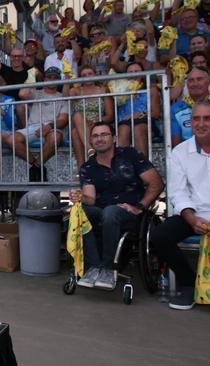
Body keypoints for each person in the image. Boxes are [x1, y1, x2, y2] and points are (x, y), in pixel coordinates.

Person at [70, 122, 163, 289]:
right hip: (104, 213)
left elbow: (156, 183)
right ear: (90, 141)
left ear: (114, 138)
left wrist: (139, 207)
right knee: (81, 212)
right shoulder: (88, 167)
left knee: (111, 212)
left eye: (104, 134)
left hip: (131, 213)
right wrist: (81, 197)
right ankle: (93, 267)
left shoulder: (130, 155)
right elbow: (90, 198)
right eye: (95, 136)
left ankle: (107, 269)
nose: (100, 139)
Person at [151, 100, 210, 310]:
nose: (201, 124)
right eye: (196, 118)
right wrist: (192, 218)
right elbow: (178, 192)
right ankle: (189, 283)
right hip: (193, 212)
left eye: (207, 118)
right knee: (159, 236)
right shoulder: (180, 153)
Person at [16, 67, 69, 181]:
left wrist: (49, 126)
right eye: (49, 77)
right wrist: (32, 75)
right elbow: (22, 93)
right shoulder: (36, 93)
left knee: (56, 138)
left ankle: (36, 166)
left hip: (51, 128)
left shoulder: (62, 97)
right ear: (44, 79)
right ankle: (35, 163)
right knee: (12, 139)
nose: (52, 80)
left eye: (55, 78)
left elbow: (63, 120)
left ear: (59, 80)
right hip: (33, 128)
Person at [67, 66, 115, 167]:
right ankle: (90, 149)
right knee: (76, 116)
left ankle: (82, 169)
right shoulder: (76, 91)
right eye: (84, 75)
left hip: (98, 124)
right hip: (79, 123)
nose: (87, 77)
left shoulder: (103, 90)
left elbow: (110, 115)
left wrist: (96, 121)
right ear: (80, 78)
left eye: (90, 74)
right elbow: (64, 96)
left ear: (95, 75)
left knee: (75, 133)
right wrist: (67, 81)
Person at [115, 62, 161, 156]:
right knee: (124, 129)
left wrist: (139, 114)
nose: (133, 74)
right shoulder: (119, 90)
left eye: (136, 71)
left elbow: (156, 113)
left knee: (137, 129)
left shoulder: (151, 89)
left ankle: (143, 167)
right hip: (124, 123)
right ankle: (122, 167)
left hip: (144, 121)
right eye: (130, 72)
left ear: (143, 74)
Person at [171, 66, 210, 146]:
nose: (195, 84)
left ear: (208, 81)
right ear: (187, 84)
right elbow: (177, 144)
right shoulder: (176, 109)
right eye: (191, 80)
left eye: (199, 79)